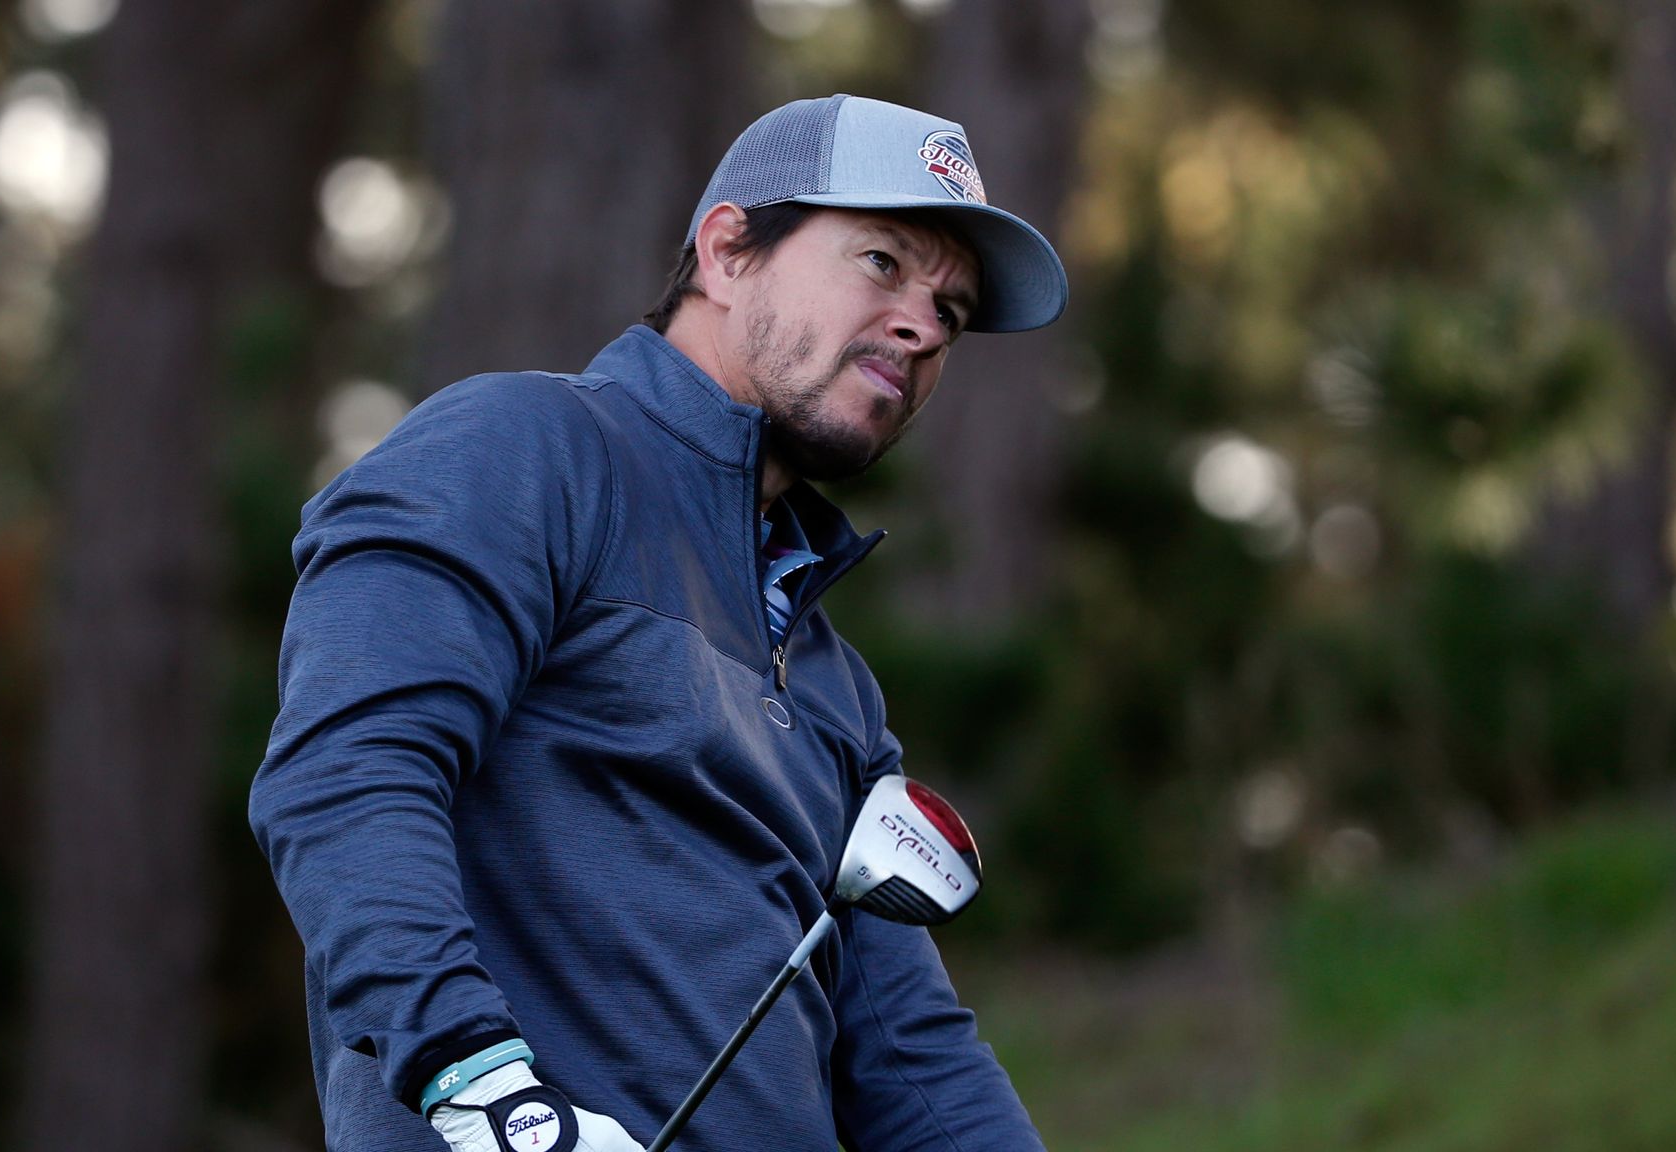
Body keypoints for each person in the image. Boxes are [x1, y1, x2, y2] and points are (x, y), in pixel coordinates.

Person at [248, 93, 1068, 1152]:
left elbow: (907, 1048)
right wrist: (487, 1092)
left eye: (948, 312)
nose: (920, 327)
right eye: (880, 262)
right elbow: (348, 773)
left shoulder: (833, 685)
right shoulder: (521, 449)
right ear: (727, 249)